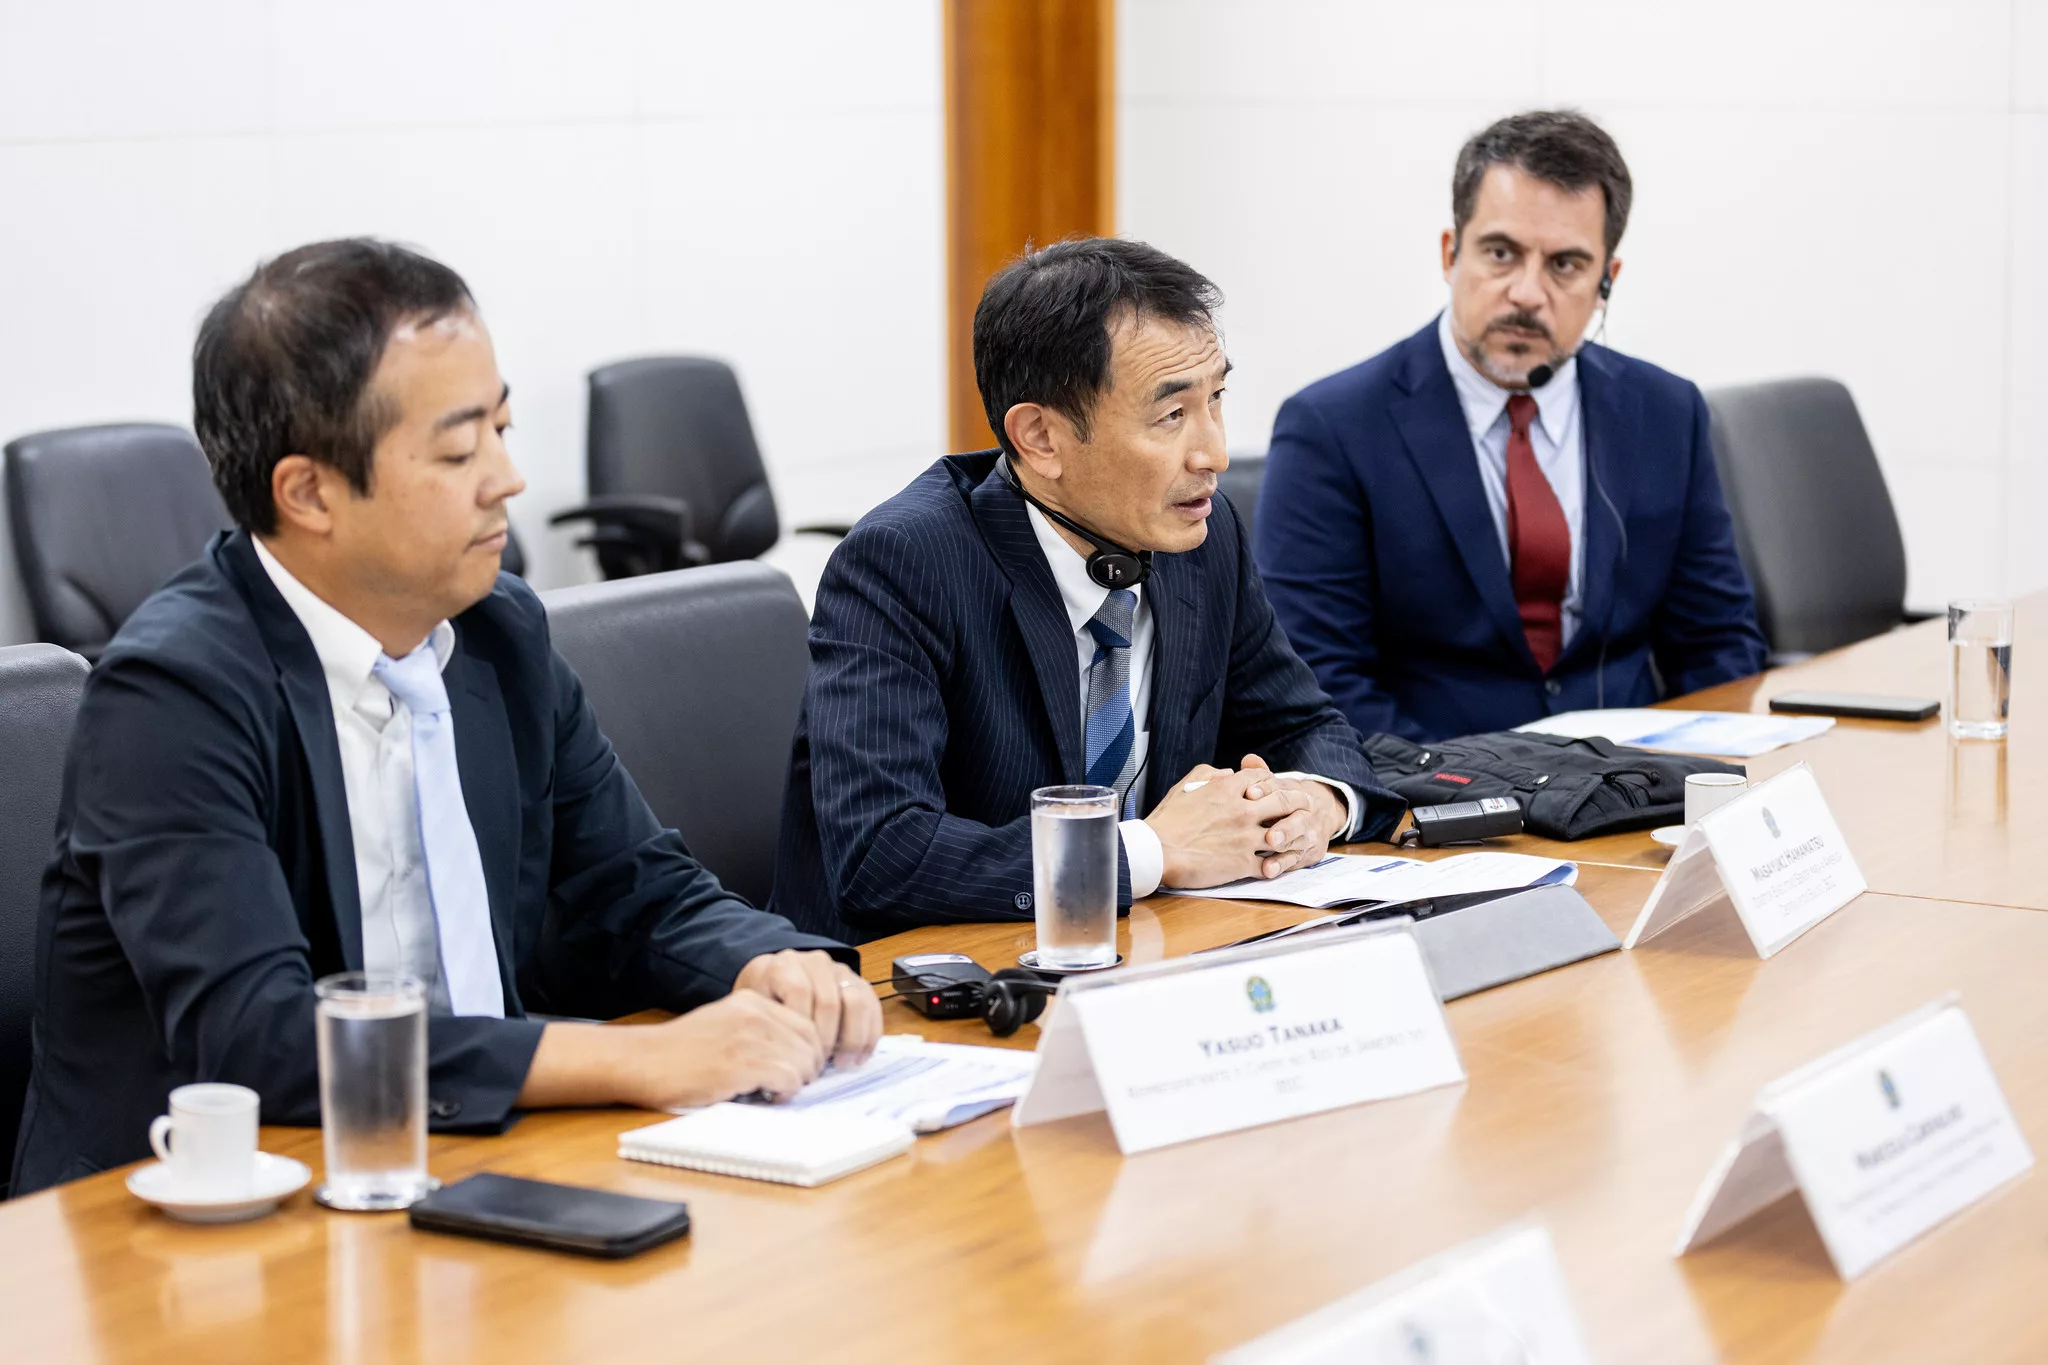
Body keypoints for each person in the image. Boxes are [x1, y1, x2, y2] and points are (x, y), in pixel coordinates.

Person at [11, 239, 879, 1195]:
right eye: (461, 448)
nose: (505, 477)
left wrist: (776, 961)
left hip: (470, 1159)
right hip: (202, 1216)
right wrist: (641, 1060)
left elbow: (637, 889)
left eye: (502, 428)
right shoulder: (175, 692)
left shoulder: (499, 635)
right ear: (308, 492)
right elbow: (264, 1037)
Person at [775, 237, 1403, 944]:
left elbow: (1303, 725)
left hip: (1149, 951)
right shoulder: (903, 563)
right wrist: (1154, 851)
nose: (1215, 454)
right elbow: (883, 855)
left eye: (1216, 399)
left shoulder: (1202, 532)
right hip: (923, 987)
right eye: (1171, 416)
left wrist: (1316, 801)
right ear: (1040, 437)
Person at [1255, 110, 1766, 743]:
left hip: (1634, 789)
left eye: (1566, 265)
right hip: (1433, 804)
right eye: (1502, 254)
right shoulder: (1332, 428)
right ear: (1450, 254)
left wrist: (1705, 780)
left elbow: (1717, 642)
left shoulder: (1666, 412)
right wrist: (1482, 794)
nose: (1527, 293)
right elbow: (1319, 685)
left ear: (1607, 280)